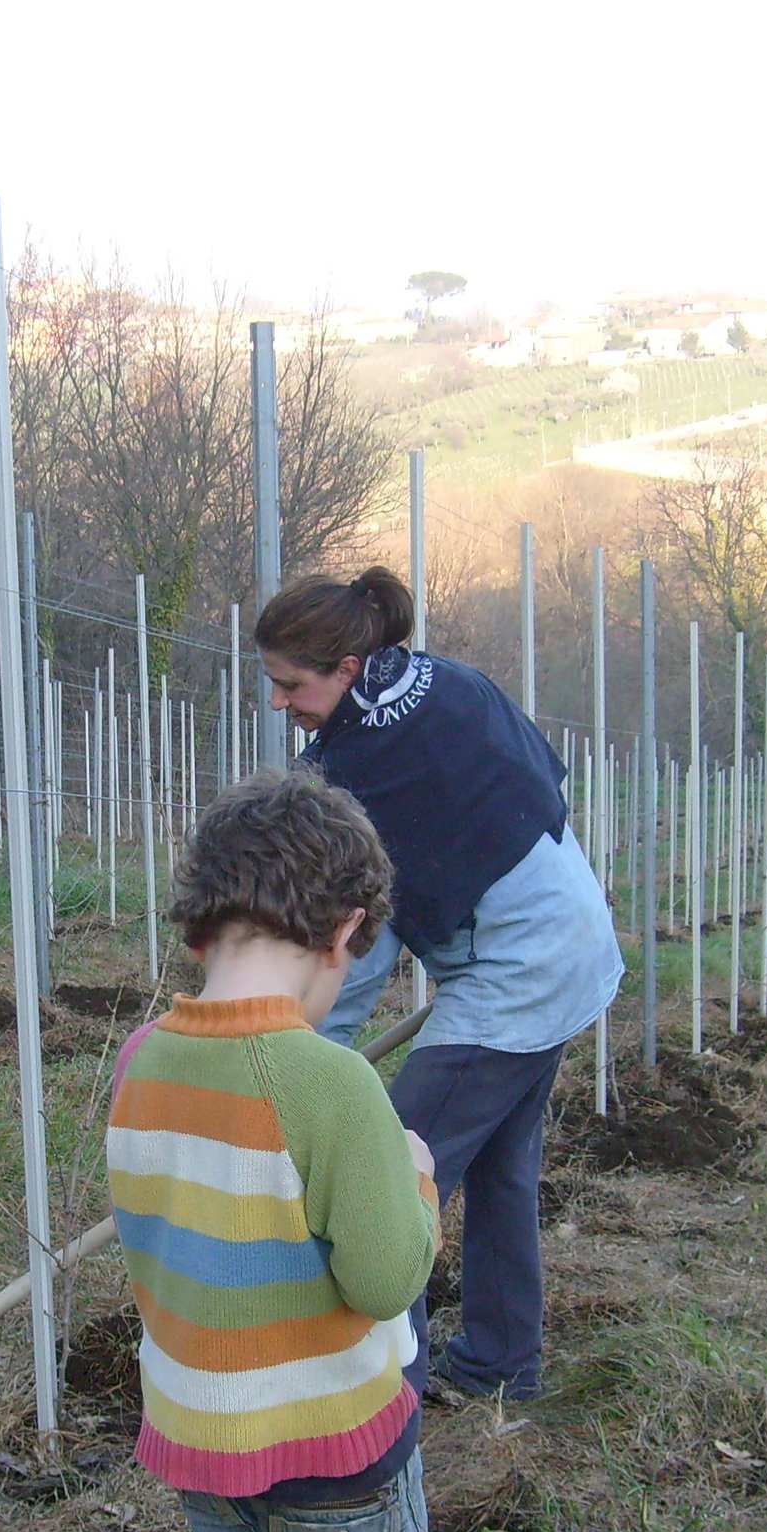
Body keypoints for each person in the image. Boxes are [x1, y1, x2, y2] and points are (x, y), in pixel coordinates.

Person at [107, 767, 476, 1532]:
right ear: (346, 931)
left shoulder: (141, 1060)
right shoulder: (328, 1083)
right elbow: (383, 1276)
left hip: (202, 1440)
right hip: (332, 1451)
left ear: (201, 921)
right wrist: (415, 1178)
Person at [256, 566, 620, 1404]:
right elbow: (544, 783)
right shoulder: (443, 680)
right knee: (501, 1167)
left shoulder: (361, 774)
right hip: (571, 930)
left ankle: (381, 1391)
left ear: (346, 668)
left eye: (291, 684)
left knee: (388, 1182)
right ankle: (499, 1363)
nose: (278, 701)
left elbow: (359, 949)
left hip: (519, 972)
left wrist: (294, 1062)